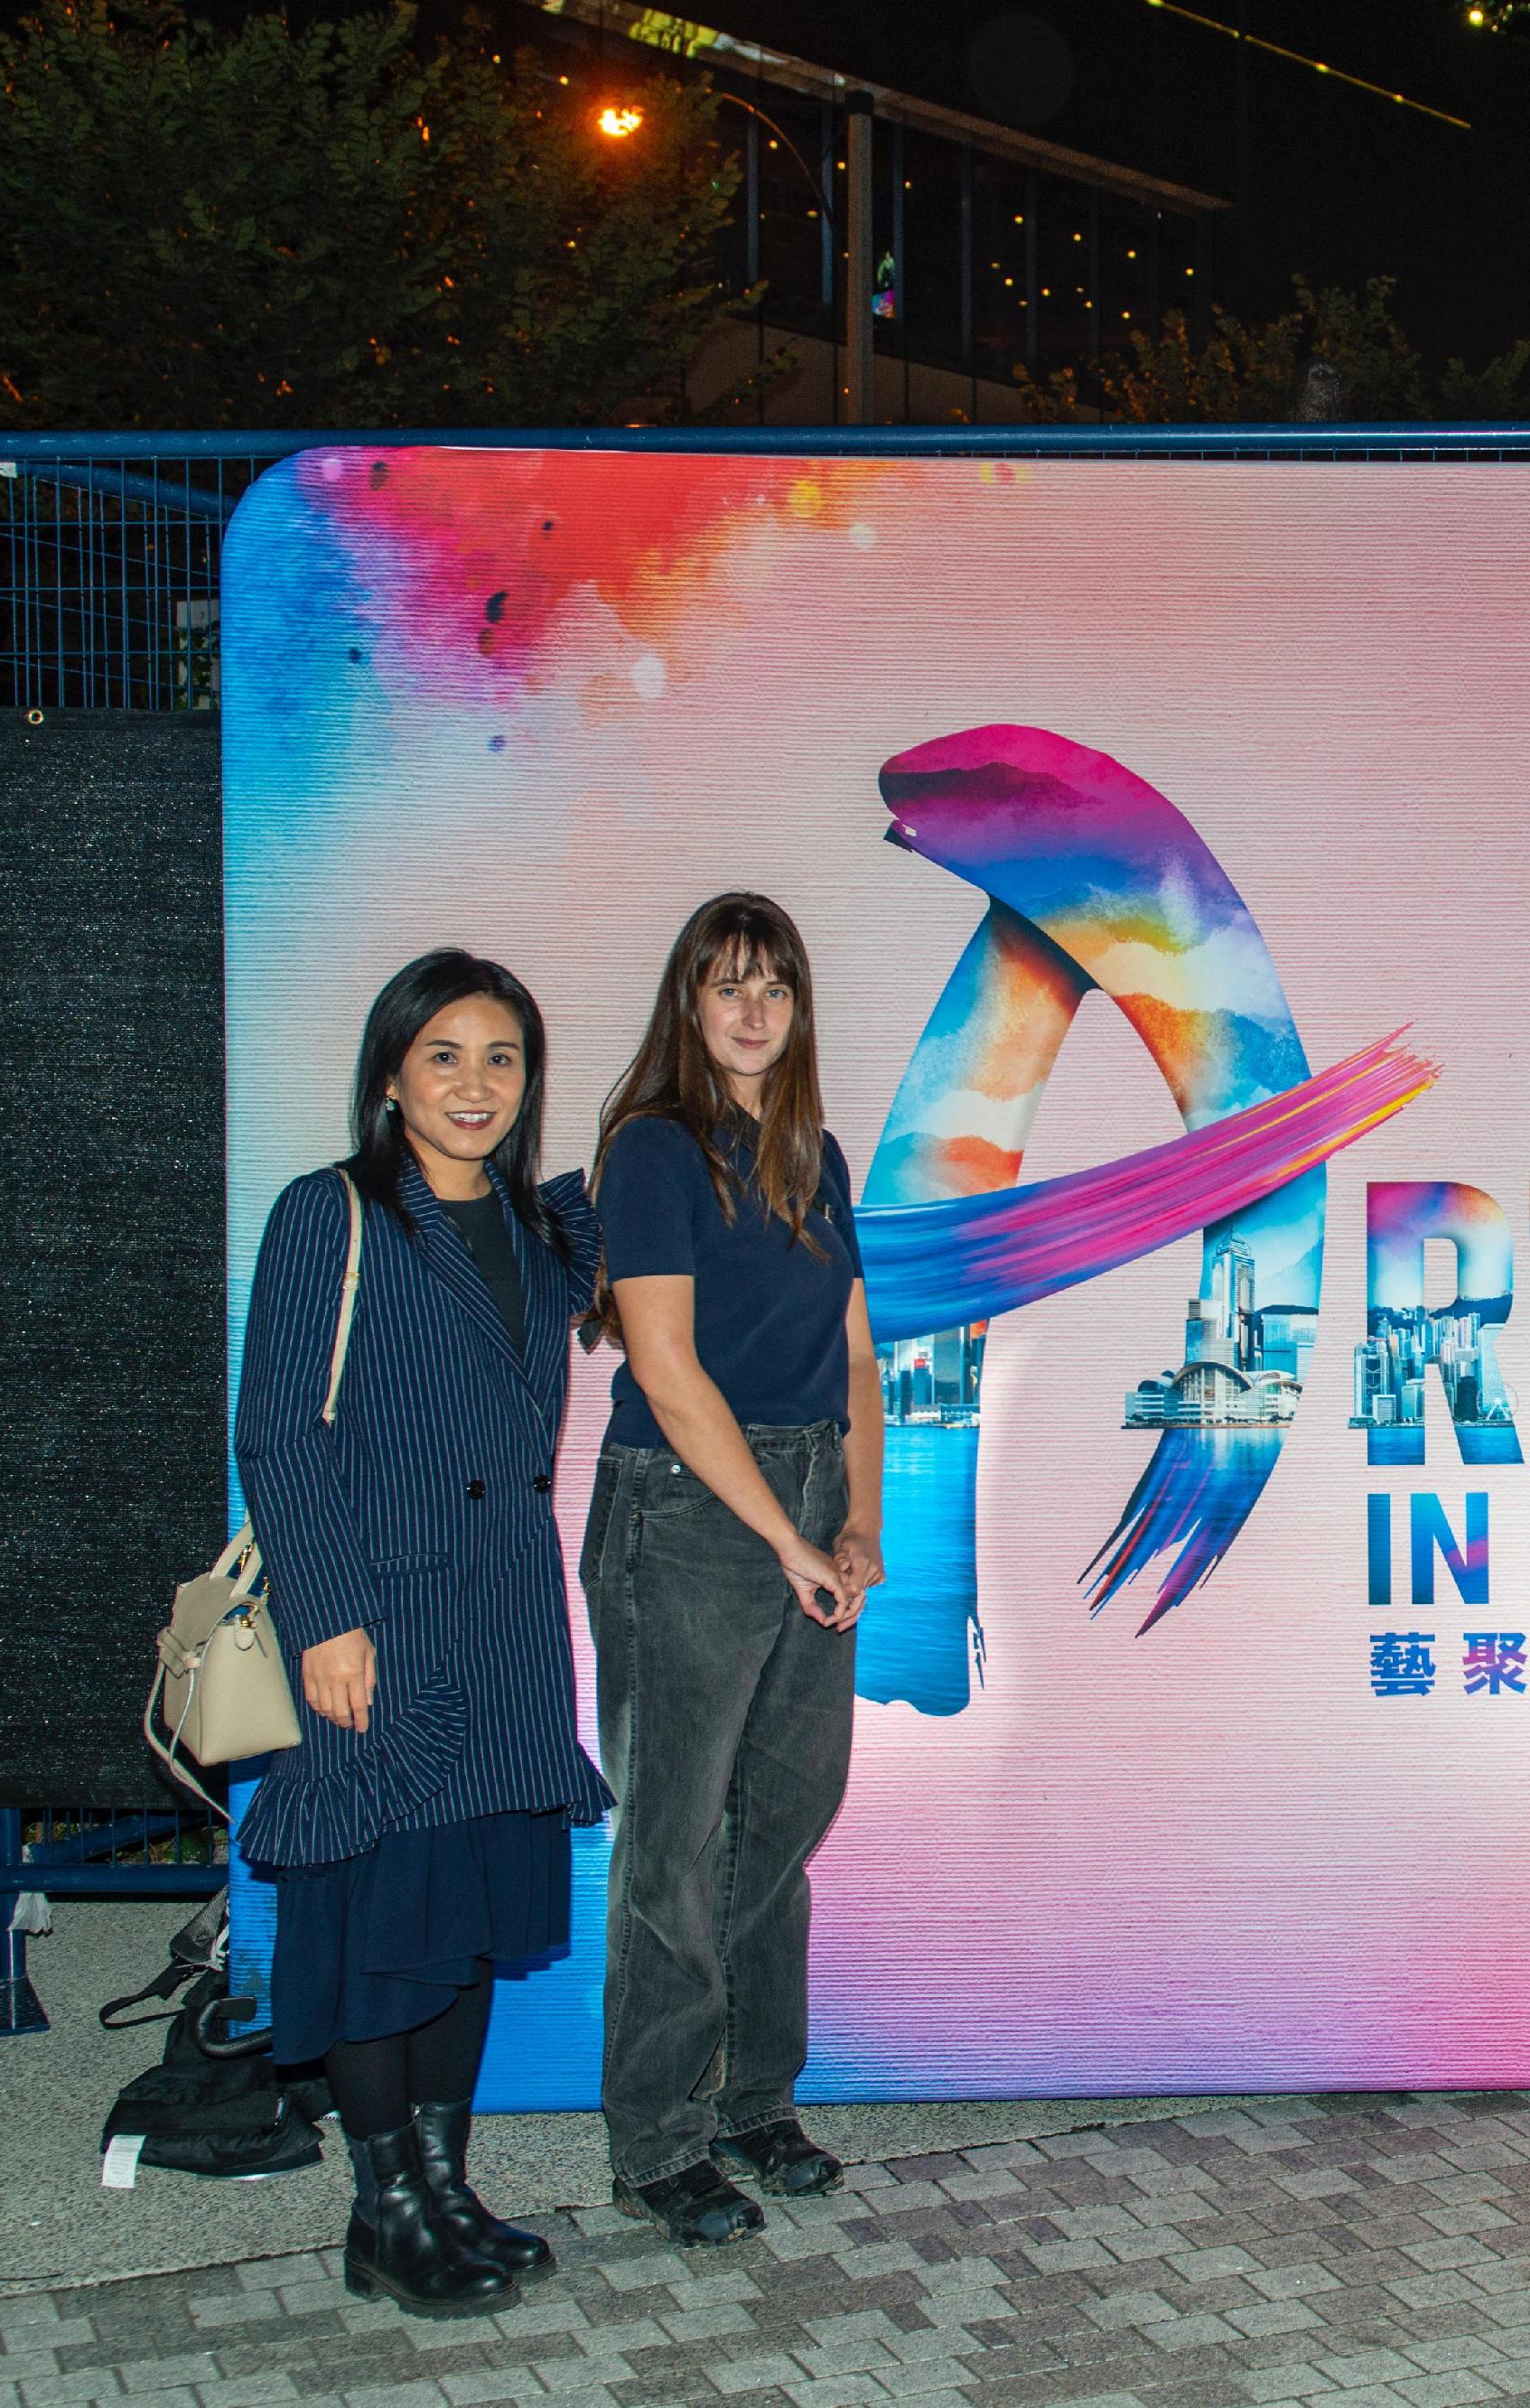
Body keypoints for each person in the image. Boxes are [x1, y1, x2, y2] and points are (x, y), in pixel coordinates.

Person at [236, 951, 611, 2319]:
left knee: (465, 1918)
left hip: (508, 1613)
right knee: (382, 1916)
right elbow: (276, 1433)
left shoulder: (541, 1235)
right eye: (444, 1053)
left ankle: (445, 2186)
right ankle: (382, 2205)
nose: (475, 1083)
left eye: (502, 1056)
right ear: (391, 1070)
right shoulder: (327, 1214)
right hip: (379, 1619)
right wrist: (324, 1615)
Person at [586, 892, 885, 2248]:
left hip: (810, 1490)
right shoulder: (653, 1150)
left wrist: (856, 1524)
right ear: (687, 1005)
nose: (753, 1008)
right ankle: (657, 2139)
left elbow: (863, 1358)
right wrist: (782, 1535)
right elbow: (663, 1365)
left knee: (783, 1820)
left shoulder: (814, 1152)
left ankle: (756, 2099)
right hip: (691, 1514)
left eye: (774, 985)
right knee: (675, 1839)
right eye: (726, 985)